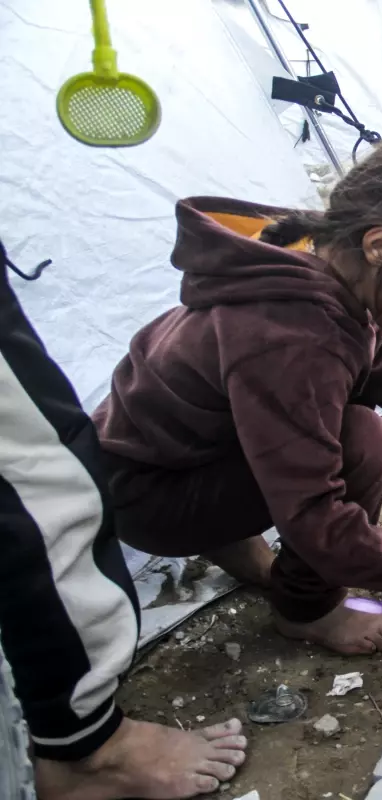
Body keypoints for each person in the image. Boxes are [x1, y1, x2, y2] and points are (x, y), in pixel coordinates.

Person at [92, 138, 382, 657]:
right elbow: (317, 516)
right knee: (361, 440)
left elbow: (363, 343)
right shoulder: (290, 340)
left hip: (176, 457)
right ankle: (307, 609)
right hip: (152, 494)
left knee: (328, 427)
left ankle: (232, 543)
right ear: (381, 246)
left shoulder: (313, 258)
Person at [1, 238, 248, 799]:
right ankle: (87, 750)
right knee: (38, 470)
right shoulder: (281, 327)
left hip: (153, 489)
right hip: (150, 500)